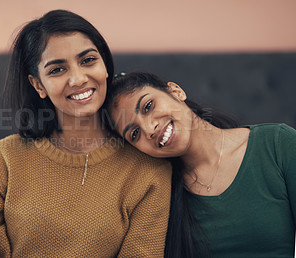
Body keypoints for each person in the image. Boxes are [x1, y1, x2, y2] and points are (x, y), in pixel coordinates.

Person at [0, 11, 172, 257]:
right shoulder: (1, 161)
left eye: (88, 60)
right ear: (38, 85)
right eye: (57, 70)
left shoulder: (149, 170)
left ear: (105, 65)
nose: (78, 79)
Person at [104, 72, 296, 258]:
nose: (149, 129)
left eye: (148, 106)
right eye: (135, 134)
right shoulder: (159, 194)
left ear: (175, 91)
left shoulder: (277, 144)